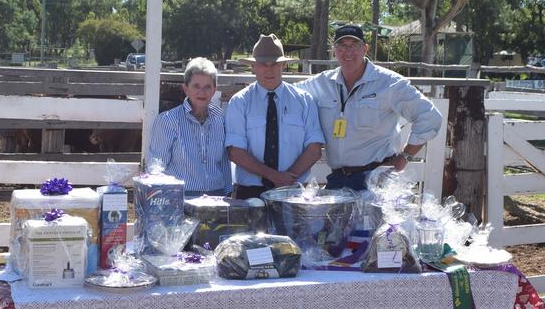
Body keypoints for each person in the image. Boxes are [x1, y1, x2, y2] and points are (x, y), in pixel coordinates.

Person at [297, 24, 442, 190]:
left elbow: (430, 117)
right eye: (342, 46)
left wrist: (405, 157)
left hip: (377, 180)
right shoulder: (322, 83)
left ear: (365, 49)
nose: (348, 52)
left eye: (355, 45)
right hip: (337, 180)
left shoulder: (389, 83)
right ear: (333, 51)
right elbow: (289, 94)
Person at [225, 34, 325, 199]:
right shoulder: (240, 102)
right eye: (263, 64)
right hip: (251, 193)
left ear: (283, 65)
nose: (269, 69)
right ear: (254, 67)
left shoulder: (304, 100)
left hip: (293, 191)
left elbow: (314, 149)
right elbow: (235, 152)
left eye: (275, 64)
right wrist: (276, 176)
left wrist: (288, 177)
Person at [147, 57, 232, 197]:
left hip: (216, 197)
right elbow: (157, 164)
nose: (202, 92)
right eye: (196, 86)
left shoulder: (220, 119)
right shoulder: (168, 120)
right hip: (181, 197)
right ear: (185, 89)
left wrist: (228, 193)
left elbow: (224, 162)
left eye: (207, 87)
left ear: (214, 90)